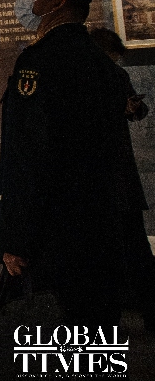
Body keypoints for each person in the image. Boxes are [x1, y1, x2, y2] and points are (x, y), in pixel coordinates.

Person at [0, 0, 131, 326]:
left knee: (59, 331)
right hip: (98, 223)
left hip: (53, 232)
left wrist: (15, 239)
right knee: (96, 325)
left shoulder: (39, 63)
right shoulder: (100, 63)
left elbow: (28, 157)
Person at [89, 27, 155, 330]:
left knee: (132, 249)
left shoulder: (115, 76)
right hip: (111, 180)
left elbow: (137, 110)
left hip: (113, 180)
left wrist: (133, 107)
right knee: (132, 250)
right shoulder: (94, 77)